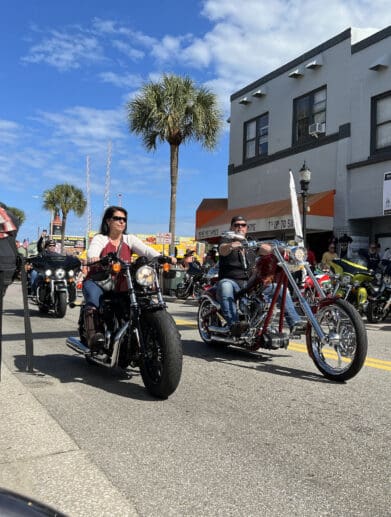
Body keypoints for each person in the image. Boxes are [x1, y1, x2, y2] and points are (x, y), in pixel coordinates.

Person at [83, 206, 176, 357]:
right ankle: (95, 336)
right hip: (99, 280)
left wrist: (162, 257)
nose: (122, 222)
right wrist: (94, 257)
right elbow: (93, 250)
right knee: (94, 301)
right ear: (108, 221)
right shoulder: (101, 238)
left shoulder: (129, 239)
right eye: (117, 218)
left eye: (124, 219)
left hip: (121, 281)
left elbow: (146, 251)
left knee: (141, 298)